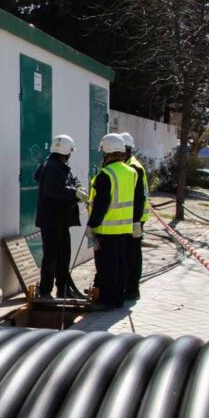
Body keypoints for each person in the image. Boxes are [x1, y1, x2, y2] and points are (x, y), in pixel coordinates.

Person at [86, 133, 140, 310]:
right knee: (121, 265)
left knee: (106, 267)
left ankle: (107, 301)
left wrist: (91, 225)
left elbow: (101, 204)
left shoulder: (105, 175)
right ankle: (118, 298)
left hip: (106, 230)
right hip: (124, 228)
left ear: (106, 152)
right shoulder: (131, 172)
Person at [34, 134, 88, 299]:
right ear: (67, 152)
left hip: (60, 221)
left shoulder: (59, 165)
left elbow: (71, 178)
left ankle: (63, 289)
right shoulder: (51, 167)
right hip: (51, 222)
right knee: (51, 258)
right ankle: (45, 291)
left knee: (63, 257)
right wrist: (74, 192)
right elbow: (53, 189)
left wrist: (78, 186)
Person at [122, 132, 149, 300]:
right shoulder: (131, 165)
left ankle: (132, 289)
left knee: (132, 255)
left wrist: (136, 222)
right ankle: (129, 286)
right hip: (133, 218)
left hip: (134, 219)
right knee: (130, 254)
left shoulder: (133, 167)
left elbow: (139, 197)